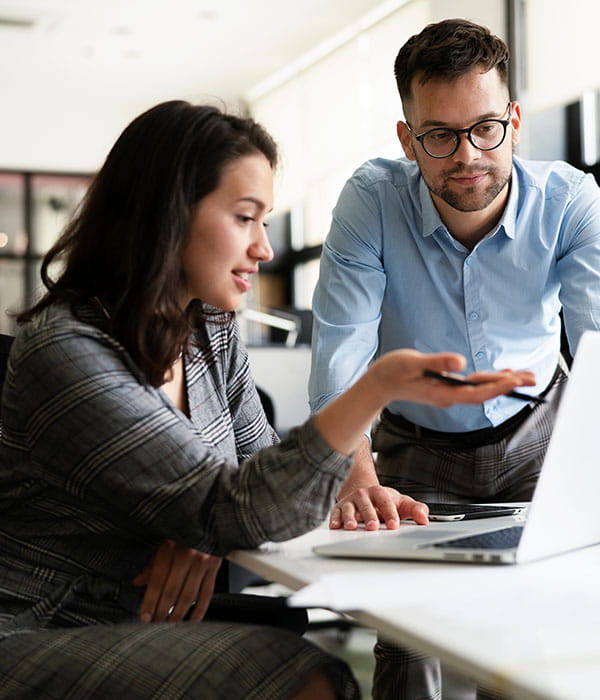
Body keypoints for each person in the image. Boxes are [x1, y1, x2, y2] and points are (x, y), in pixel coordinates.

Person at [0, 100, 533, 700]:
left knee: (294, 643)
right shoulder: (69, 350)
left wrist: (340, 494)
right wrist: (375, 389)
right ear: (166, 216)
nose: (265, 249)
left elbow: (257, 475)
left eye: (265, 221)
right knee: (305, 675)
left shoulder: (206, 330)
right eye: (245, 218)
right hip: (44, 625)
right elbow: (237, 507)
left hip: (146, 610)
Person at [309, 17, 600, 700]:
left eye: (485, 128)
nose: (467, 154)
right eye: (439, 135)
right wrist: (355, 473)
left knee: (536, 645)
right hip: (416, 449)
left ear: (515, 121)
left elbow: (597, 353)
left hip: (539, 440)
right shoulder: (371, 200)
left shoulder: (570, 201)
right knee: (410, 650)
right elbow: (341, 354)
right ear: (408, 139)